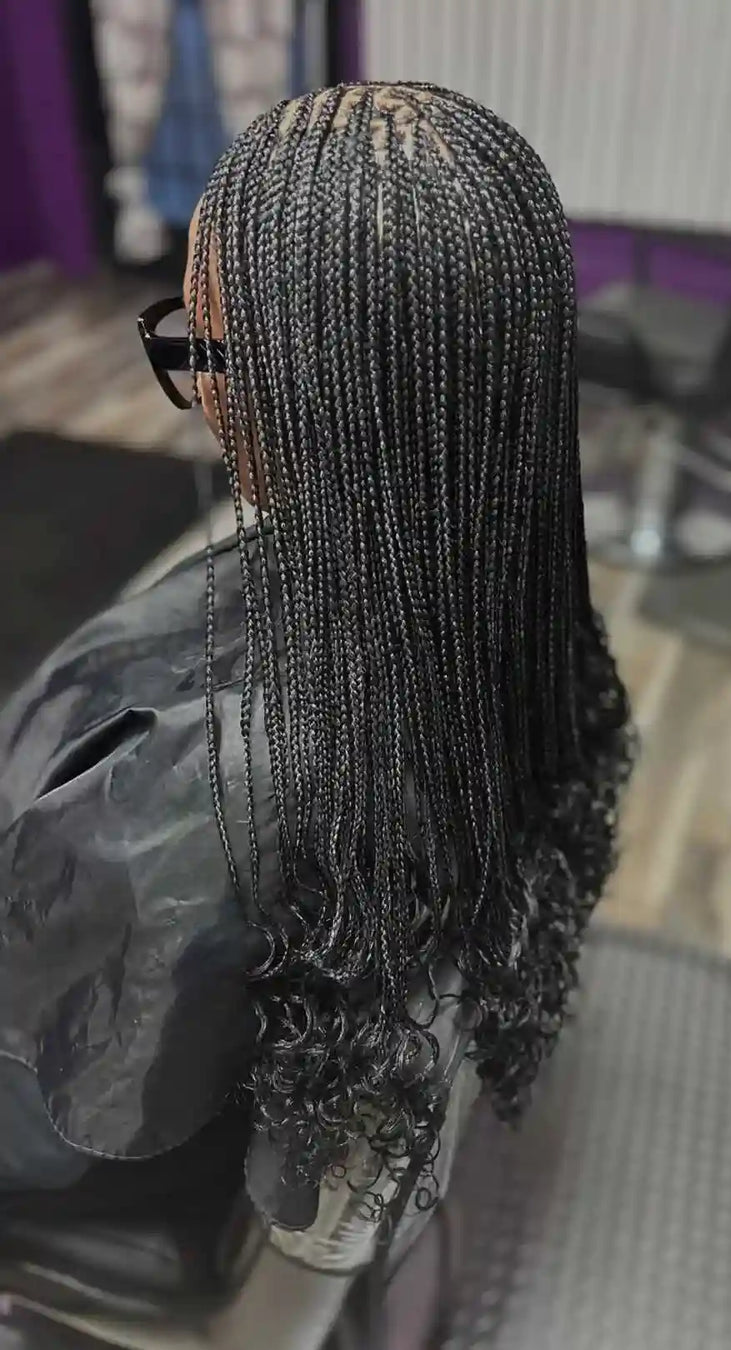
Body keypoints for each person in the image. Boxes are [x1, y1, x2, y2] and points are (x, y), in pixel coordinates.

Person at [0, 84, 632, 1255]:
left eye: (193, 346)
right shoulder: (521, 589)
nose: (191, 380)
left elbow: (58, 1110)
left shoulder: (190, 795)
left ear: (284, 385)